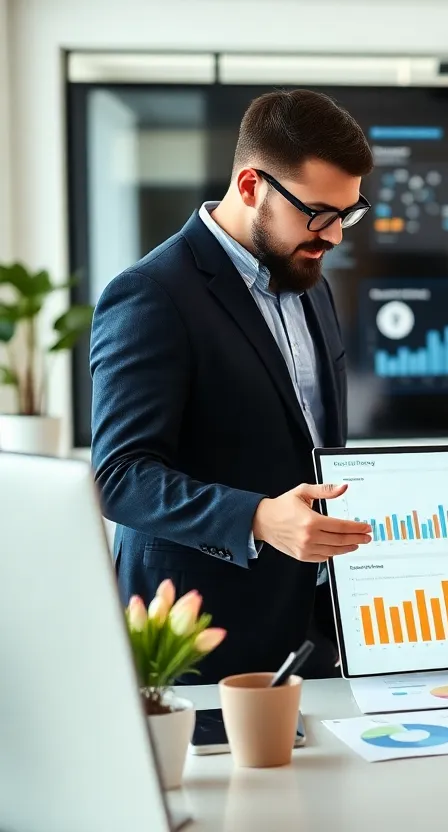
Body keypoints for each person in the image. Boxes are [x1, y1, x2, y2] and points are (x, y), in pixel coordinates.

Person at [90, 90, 376, 683]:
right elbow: (119, 475)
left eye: (348, 214)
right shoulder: (151, 294)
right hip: (197, 633)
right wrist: (258, 518)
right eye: (318, 213)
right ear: (251, 187)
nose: (335, 236)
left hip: (312, 627)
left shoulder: (311, 280)